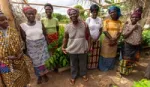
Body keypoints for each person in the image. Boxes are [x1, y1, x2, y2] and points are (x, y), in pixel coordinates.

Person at [20, 6, 50, 84]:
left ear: (35, 14)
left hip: (42, 46)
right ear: (25, 15)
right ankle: (39, 76)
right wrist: (26, 50)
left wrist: (48, 45)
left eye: (33, 14)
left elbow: (45, 34)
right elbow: (24, 38)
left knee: (44, 61)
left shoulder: (40, 23)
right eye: (28, 14)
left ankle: (45, 74)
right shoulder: (23, 26)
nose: (31, 15)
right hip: (32, 48)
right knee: (36, 63)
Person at [0, 10, 30, 87]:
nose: (6, 21)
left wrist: (20, 53)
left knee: (22, 76)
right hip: (3, 63)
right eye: (2, 20)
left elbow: (20, 42)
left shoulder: (13, 31)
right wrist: (7, 57)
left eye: (6, 19)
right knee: (9, 79)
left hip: (18, 59)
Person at [62, 8, 90, 85]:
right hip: (72, 48)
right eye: (71, 14)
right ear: (69, 16)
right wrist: (63, 47)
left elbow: (88, 36)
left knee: (83, 62)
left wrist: (89, 46)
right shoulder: (67, 26)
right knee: (73, 63)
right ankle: (73, 76)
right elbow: (65, 38)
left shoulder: (84, 24)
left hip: (82, 47)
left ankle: (83, 74)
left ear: (78, 14)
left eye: (74, 13)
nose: (73, 15)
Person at [119, 8, 143, 75]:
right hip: (128, 45)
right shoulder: (127, 25)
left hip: (136, 45)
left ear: (139, 18)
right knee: (126, 60)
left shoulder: (139, 26)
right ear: (131, 18)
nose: (134, 19)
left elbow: (140, 34)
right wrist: (132, 29)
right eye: (133, 17)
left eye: (136, 17)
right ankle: (122, 72)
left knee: (132, 60)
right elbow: (124, 36)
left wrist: (140, 40)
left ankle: (128, 71)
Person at [99, 6, 122, 71]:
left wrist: (115, 39)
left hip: (115, 41)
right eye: (111, 12)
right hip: (107, 41)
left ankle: (110, 67)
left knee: (112, 54)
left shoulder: (119, 22)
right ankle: (103, 67)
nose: (112, 14)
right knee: (105, 54)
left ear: (117, 12)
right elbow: (105, 30)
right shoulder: (106, 21)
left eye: (114, 12)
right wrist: (111, 39)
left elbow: (120, 32)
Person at [86, 4, 102, 69]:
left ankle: (94, 66)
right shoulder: (88, 19)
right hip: (89, 40)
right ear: (91, 12)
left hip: (97, 40)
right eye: (93, 12)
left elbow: (101, 30)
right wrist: (91, 38)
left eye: (96, 11)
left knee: (96, 53)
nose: (95, 13)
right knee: (89, 53)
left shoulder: (99, 19)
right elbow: (86, 30)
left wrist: (97, 38)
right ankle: (88, 66)